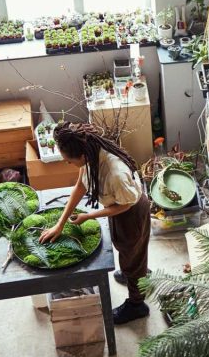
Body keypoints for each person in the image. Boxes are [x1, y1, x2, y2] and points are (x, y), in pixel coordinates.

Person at [40, 122, 151, 324]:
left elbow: (125, 205)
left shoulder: (115, 172)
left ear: (81, 155)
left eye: (68, 160)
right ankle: (135, 270)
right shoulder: (89, 156)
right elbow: (79, 188)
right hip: (118, 206)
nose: (67, 163)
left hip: (132, 212)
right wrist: (60, 224)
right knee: (129, 251)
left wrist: (89, 217)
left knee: (132, 254)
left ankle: (137, 304)